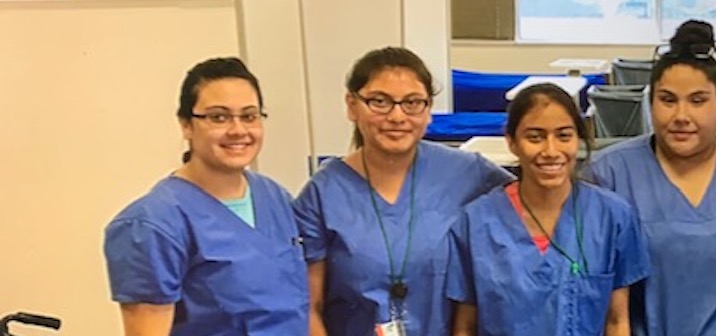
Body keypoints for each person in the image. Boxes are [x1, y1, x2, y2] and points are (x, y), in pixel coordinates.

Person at [293, 47, 513, 336]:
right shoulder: (322, 194)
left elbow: (531, 207)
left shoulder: (469, 174)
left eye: (412, 103)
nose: (397, 116)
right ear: (352, 105)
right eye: (380, 102)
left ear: (428, 109)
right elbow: (310, 306)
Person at [586, 20, 716, 336]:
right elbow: (599, 299)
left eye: (698, 100)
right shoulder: (610, 175)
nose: (681, 116)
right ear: (650, 104)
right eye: (668, 99)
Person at [104, 57, 308, 335]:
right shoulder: (153, 224)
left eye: (249, 116)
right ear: (186, 124)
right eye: (218, 117)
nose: (238, 130)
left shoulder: (274, 197)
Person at [446, 83, 651, 336]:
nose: (551, 151)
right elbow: (465, 327)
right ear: (512, 141)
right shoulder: (476, 223)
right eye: (535, 137)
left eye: (564, 136)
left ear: (579, 138)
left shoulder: (612, 217)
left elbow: (617, 322)